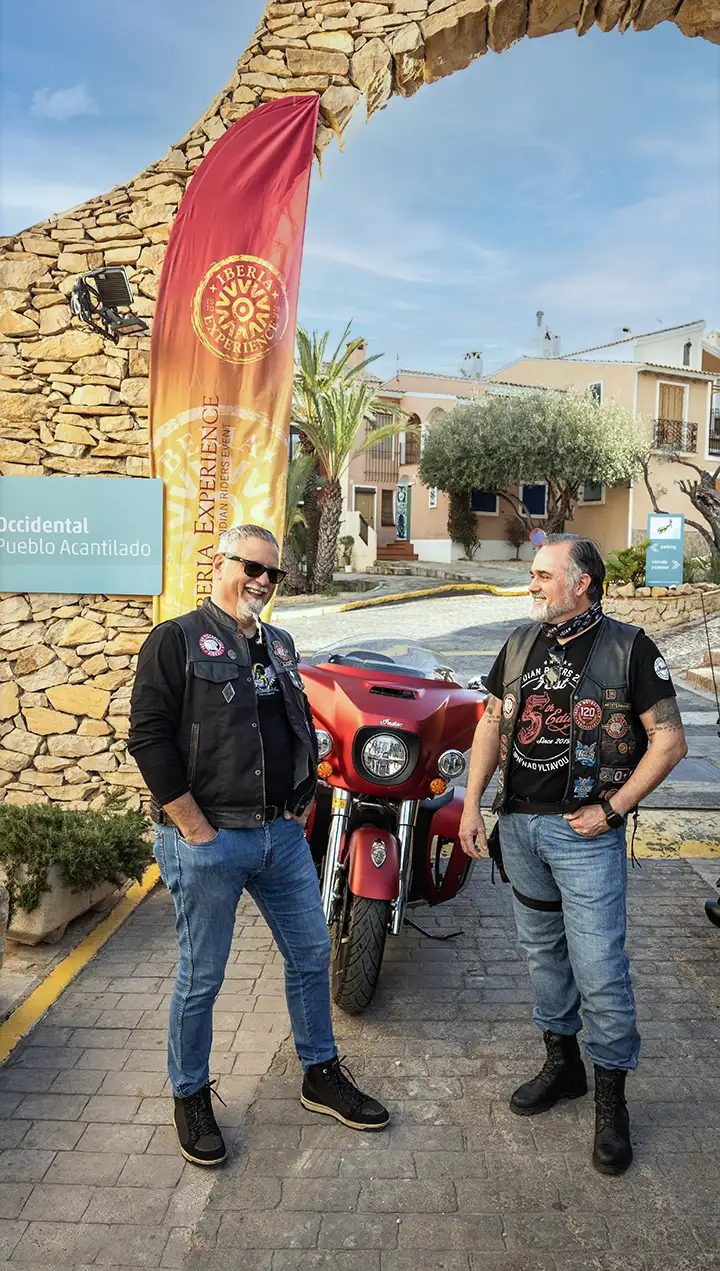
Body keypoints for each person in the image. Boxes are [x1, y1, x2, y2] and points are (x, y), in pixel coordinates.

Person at [128, 524, 388, 1167]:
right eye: (253, 568)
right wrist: (194, 829)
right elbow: (149, 739)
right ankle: (190, 1095)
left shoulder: (280, 643)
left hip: (279, 835)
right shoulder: (177, 639)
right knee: (202, 978)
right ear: (221, 564)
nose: (265, 583)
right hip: (209, 839)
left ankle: (319, 1072)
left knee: (311, 952)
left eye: (274, 574)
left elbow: (292, 723)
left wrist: (301, 801)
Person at [459, 534, 687, 1176]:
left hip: (584, 834)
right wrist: (473, 804)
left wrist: (613, 810)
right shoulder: (521, 642)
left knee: (600, 965)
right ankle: (564, 1066)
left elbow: (669, 741)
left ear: (582, 581)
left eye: (541, 574)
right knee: (542, 953)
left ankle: (612, 1104)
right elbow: (489, 722)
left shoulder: (630, 647)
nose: (530, 583)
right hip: (522, 829)